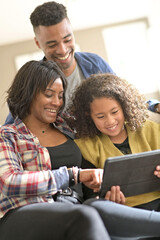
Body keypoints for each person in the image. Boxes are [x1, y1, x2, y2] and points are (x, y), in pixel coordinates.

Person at [0, 60, 111, 240]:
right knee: (85, 216)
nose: (57, 102)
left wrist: (102, 192)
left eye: (60, 96)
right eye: (49, 94)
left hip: (72, 207)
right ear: (28, 93)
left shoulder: (68, 128)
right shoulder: (7, 134)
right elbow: (9, 182)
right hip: (22, 213)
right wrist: (72, 175)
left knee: (108, 211)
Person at [4, 1, 159, 125]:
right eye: (52, 45)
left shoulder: (95, 64)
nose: (63, 50)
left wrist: (154, 105)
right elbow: (10, 127)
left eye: (67, 39)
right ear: (38, 43)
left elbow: (126, 98)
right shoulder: (32, 79)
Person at [65, 72, 160, 239]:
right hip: (125, 214)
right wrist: (107, 199)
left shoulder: (150, 130)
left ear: (124, 107)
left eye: (115, 112)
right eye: (100, 116)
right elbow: (90, 194)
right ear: (88, 116)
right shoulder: (85, 147)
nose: (110, 121)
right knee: (94, 206)